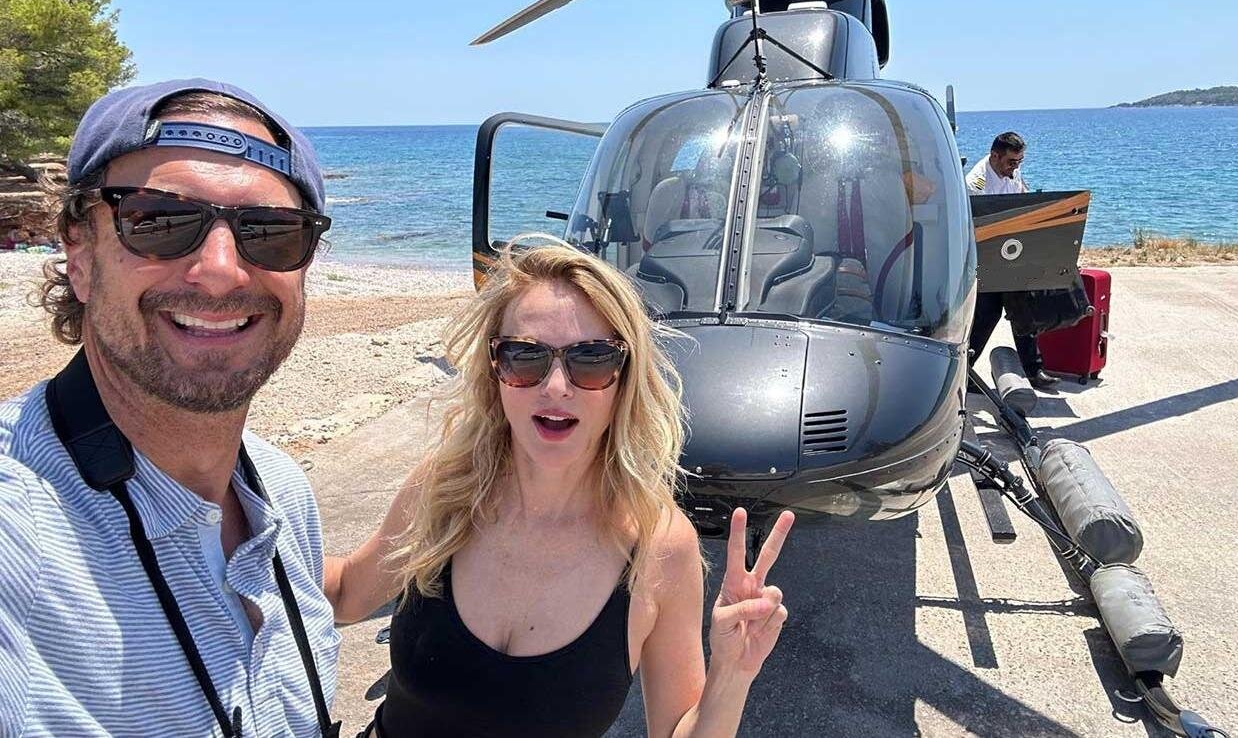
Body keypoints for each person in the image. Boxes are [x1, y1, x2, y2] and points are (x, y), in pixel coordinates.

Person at [324, 236, 795, 738]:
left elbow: (677, 728)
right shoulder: (446, 490)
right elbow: (348, 591)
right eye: (524, 357)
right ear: (495, 371)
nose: (554, 387)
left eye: (590, 359)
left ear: (624, 380)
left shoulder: (660, 547)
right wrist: (260, 521)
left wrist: (732, 675)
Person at [0, 79, 342, 736]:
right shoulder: (19, 532)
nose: (220, 271)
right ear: (79, 252)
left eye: (270, 233)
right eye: (158, 221)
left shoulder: (281, 492)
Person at [965, 132, 1060, 390]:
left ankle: (1033, 370)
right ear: (995, 156)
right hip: (985, 256)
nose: (1015, 167)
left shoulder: (1012, 172)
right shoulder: (976, 184)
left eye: (1019, 161)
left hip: (1010, 251)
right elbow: (977, 227)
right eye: (1011, 162)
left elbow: (1023, 201)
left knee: (1023, 309)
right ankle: (964, 371)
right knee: (987, 314)